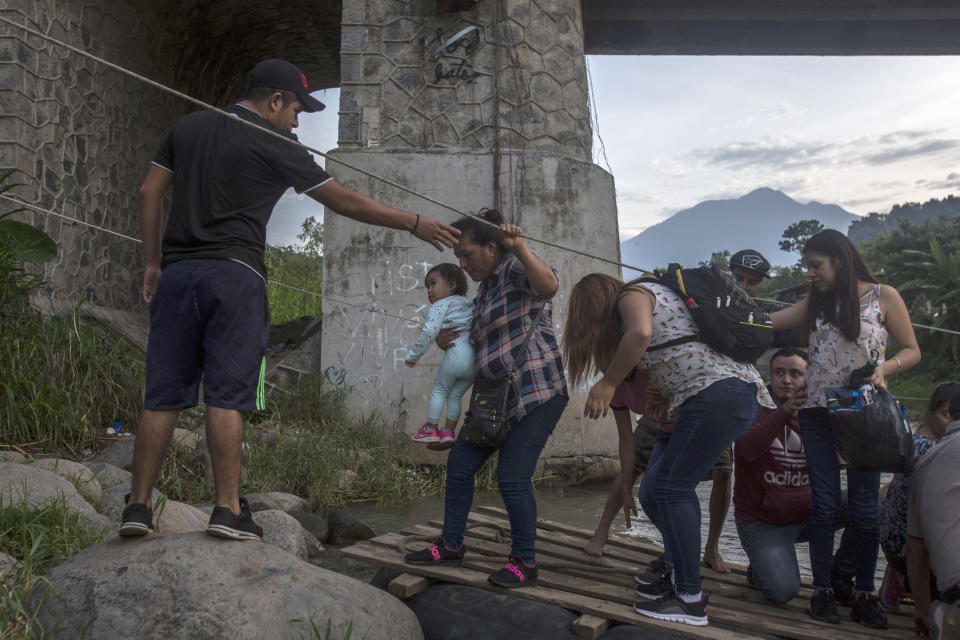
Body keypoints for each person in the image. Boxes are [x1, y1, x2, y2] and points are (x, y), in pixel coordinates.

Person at [120, 59, 460, 540]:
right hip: (235, 277)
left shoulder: (187, 125)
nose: (298, 122)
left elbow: (148, 192)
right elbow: (341, 200)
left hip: (178, 275)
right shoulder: (277, 141)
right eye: (297, 109)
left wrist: (153, 262)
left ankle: (136, 508)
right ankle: (227, 510)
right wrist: (414, 222)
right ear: (275, 100)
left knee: (161, 397)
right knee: (227, 395)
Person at [565, 272, 773, 627]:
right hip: (724, 395)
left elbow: (641, 333)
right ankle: (680, 578)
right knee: (660, 490)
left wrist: (607, 382)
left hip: (716, 396)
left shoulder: (632, 299)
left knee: (668, 489)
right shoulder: (658, 309)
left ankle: (689, 597)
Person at [404, 209, 568, 588]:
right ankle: (451, 544)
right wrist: (450, 340)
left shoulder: (512, 268)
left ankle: (525, 561)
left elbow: (549, 286)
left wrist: (520, 246)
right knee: (460, 465)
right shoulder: (483, 291)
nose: (462, 264)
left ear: (492, 248)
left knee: (512, 477)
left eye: (467, 255)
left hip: (536, 392)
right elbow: (478, 341)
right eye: (458, 257)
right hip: (494, 399)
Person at [770, 229, 921, 628]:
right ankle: (820, 590)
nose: (811, 273)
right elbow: (768, 322)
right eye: (808, 266)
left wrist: (884, 369)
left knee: (865, 511)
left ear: (839, 259)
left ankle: (862, 593)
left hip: (865, 418)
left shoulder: (883, 296)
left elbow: (912, 350)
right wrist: (721, 311)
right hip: (819, 415)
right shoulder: (816, 302)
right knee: (823, 506)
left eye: (816, 265)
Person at [734, 348, 810, 603]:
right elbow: (743, 451)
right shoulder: (753, 402)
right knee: (783, 591)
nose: (786, 380)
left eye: (795, 374)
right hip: (762, 522)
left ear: (807, 379)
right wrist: (783, 413)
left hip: (806, 513)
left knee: (870, 509)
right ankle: (760, 567)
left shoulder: (818, 409)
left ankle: (841, 575)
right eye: (780, 372)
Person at [879, 382, 960, 609]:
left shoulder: (912, 441)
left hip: (893, 541)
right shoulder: (933, 451)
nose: (949, 423)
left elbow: (888, 490)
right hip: (910, 545)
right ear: (930, 412)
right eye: (945, 415)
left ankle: (902, 578)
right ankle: (905, 580)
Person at [404, 264, 474, 450]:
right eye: (427, 286)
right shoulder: (469, 304)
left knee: (439, 391)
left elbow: (430, 332)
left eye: (433, 283)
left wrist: (413, 356)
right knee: (455, 394)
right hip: (473, 360)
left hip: (455, 355)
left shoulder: (440, 305)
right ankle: (448, 432)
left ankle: (431, 428)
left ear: (451, 284)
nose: (429, 290)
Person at [908, 392, 960, 640]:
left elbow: (915, 550)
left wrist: (922, 609)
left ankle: (944, 617)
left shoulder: (925, 462)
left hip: (949, 594)